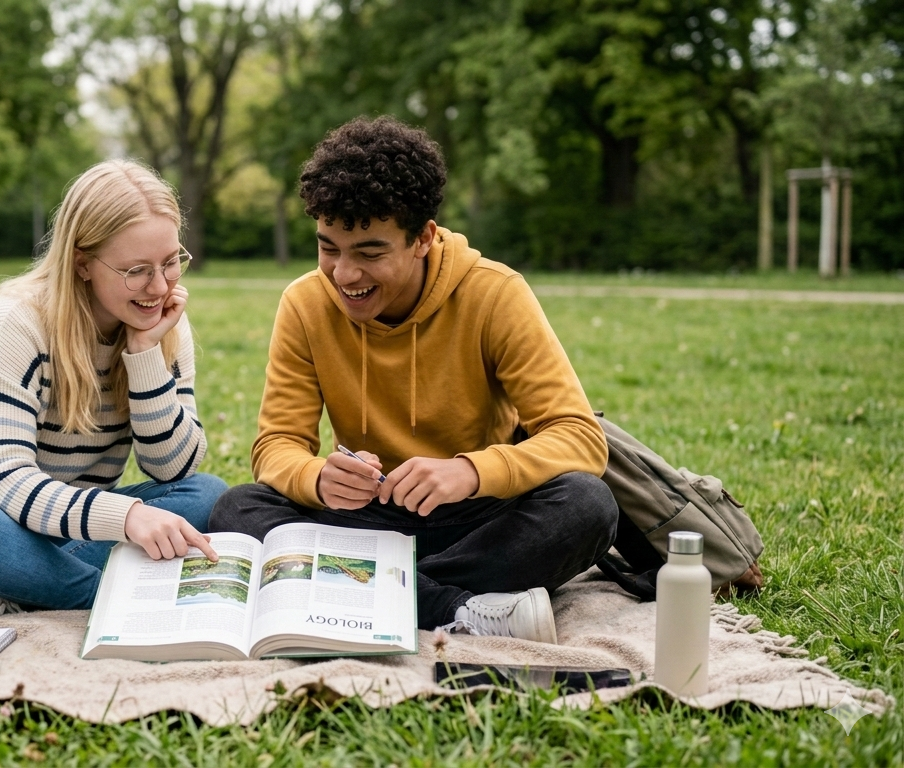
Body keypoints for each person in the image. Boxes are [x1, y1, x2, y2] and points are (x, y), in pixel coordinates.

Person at [209, 117, 618, 643]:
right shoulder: (305, 303)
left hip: (478, 517)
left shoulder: (495, 294)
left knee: (588, 506)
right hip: (364, 519)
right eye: (328, 247)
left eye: (370, 253)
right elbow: (277, 445)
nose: (343, 275)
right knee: (236, 509)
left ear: (422, 238)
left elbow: (580, 438)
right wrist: (316, 478)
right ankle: (461, 609)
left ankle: (366, 592)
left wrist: (469, 472)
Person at [0, 160, 225, 627]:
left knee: (208, 494)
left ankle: (14, 587)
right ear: (82, 262)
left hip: (67, 525)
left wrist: (145, 353)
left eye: (171, 262)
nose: (161, 286)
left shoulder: (162, 319)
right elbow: (2, 480)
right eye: (136, 270)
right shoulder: (18, 319)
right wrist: (125, 517)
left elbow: (171, 467)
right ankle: (108, 593)